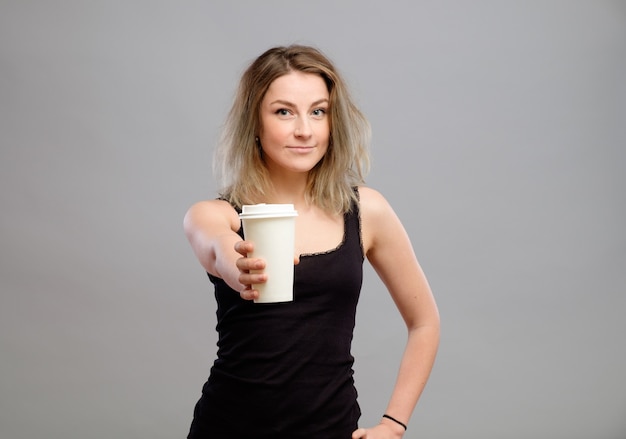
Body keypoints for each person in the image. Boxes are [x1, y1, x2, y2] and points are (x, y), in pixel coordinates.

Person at [183, 44, 439, 439]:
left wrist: (394, 423)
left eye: (318, 111)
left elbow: (425, 322)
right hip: (226, 427)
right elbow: (217, 247)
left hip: (332, 430)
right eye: (284, 111)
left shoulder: (366, 211)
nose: (304, 129)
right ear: (255, 121)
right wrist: (241, 269)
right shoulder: (216, 214)